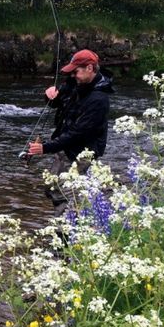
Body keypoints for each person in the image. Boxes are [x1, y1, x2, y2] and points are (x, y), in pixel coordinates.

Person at [27, 49, 114, 212]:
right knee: (53, 187)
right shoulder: (75, 83)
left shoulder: (99, 100)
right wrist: (50, 96)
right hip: (65, 148)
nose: (73, 75)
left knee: (63, 191)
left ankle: (68, 230)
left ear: (89, 68)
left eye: (76, 71)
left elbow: (78, 133)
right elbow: (56, 104)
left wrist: (45, 148)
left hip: (81, 152)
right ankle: (95, 205)